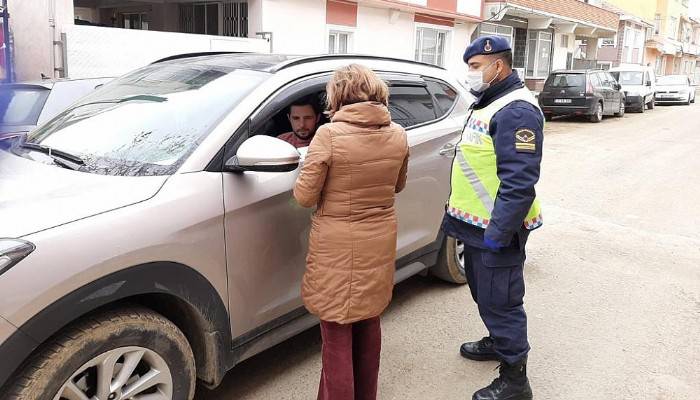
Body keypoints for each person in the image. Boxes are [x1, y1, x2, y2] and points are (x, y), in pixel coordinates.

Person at [293, 64, 409, 400]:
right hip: (379, 239)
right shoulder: (398, 133)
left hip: (338, 245)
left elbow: (304, 197)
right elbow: (398, 186)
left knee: (336, 333)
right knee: (368, 321)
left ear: (338, 95)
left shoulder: (328, 135)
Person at [441, 36, 544, 400]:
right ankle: (498, 342)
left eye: (474, 67)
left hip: (496, 228)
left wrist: (499, 235)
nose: (469, 74)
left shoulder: (516, 110)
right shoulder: (491, 101)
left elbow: (520, 182)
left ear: (497, 66)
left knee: (502, 300)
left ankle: (516, 381)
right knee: (485, 294)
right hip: (477, 225)